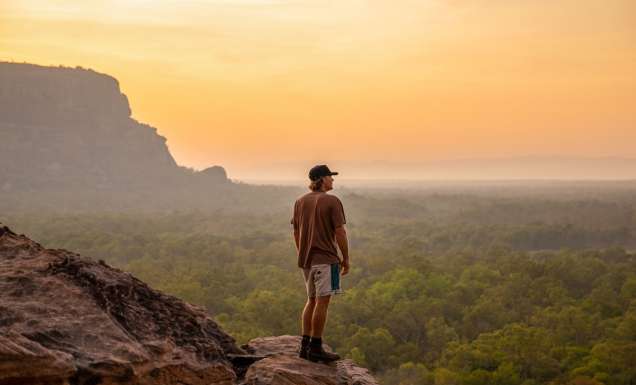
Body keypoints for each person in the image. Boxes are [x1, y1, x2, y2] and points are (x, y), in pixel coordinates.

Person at [290, 164, 350, 363]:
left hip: (307, 260)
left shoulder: (300, 201)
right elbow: (340, 232)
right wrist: (346, 258)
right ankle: (316, 347)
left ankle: (304, 346)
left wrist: (303, 253)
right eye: (330, 177)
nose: (333, 180)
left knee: (311, 300)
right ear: (322, 180)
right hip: (327, 259)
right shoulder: (332, 201)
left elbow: (296, 232)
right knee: (323, 302)